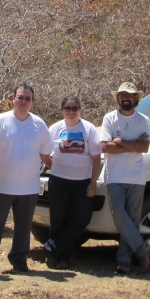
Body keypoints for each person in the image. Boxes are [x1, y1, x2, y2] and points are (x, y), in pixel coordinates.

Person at [0, 83, 52, 273]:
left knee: (23, 227)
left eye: (27, 98)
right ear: (13, 99)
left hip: (28, 188)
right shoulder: (0, 121)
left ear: (32, 102)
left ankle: (19, 260)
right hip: (1, 185)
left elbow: (46, 155)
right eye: (20, 97)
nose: (23, 102)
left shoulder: (39, 125)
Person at [99, 81, 150, 274]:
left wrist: (120, 142)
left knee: (133, 219)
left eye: (129, 95)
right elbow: (105, 147)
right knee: (119, 215)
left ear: (135, 98)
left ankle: (124, 261)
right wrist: (133, 144)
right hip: (114, 175)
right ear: (118, 98)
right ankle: (142, 248)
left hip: (136, 175)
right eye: (122, 96)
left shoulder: (143, 120)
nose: (125, 98)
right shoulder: (110, 119)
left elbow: (144, 147)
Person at [44, 95, 102, 269]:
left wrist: (93, 182)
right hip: (59, 181)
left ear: (80, 110)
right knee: (58, 220)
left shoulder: (89, 129)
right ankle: (60, 257)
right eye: (67, 108)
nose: (71, 111)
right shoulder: (54, 129)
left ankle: (50, 248)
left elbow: (96, 158)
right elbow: (44, 154)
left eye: (74, 108)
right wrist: (54, 167)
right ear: (62, 110)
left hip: (82, 182)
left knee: (81, 219)